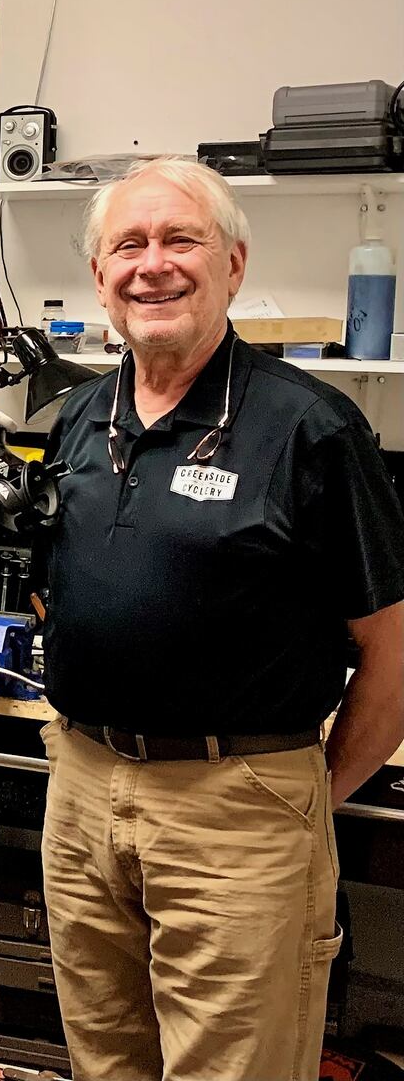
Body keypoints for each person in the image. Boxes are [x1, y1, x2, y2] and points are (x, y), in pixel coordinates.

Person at [38, 156, 404, 1079]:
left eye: (180, 240)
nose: (151, 265)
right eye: (129, 245)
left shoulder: (311, 428)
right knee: (104, 1062)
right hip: (80, 789)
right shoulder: (80, 418)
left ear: (233, 265)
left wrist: (304, 797)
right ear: (99, 278)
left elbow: (395, 654)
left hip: (238, 804)